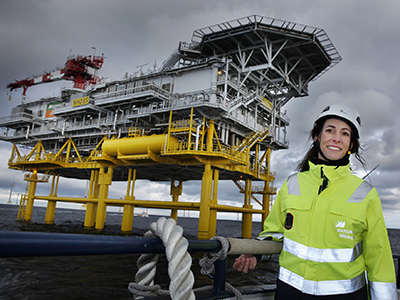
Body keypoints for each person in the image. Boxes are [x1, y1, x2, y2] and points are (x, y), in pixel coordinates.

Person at [233, 103, 397, 299]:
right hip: (290, 293)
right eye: (330, 130)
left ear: (351, 144)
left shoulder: (365, 194)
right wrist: (255, 251)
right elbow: (275, 230)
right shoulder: (293, 185)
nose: (336, 138)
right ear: (316, 136)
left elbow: (379, 258)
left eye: (345, 133)